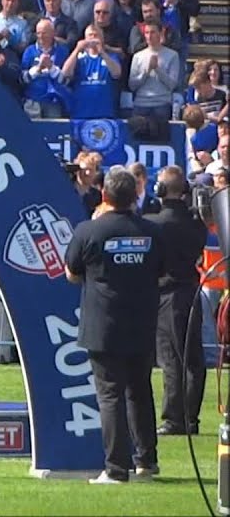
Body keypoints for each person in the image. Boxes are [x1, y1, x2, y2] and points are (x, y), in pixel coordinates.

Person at [65, 166, 164, 484]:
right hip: (142, 321)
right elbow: (161, 270)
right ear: (136, 195)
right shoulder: (152, 231)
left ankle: (116, 468)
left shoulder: (88, 231)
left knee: (110, 396)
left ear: (104, 195)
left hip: (103, 324)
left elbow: (71, 272)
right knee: (140, 391)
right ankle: (146, 462)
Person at [147, 167, 208, 436]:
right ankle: (190, 416)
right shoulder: (195, 223)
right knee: (193, 356)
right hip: (191, 290)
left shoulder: (155, 224)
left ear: (161, 190)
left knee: (171, 357)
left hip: (168, 294)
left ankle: (174, 418)